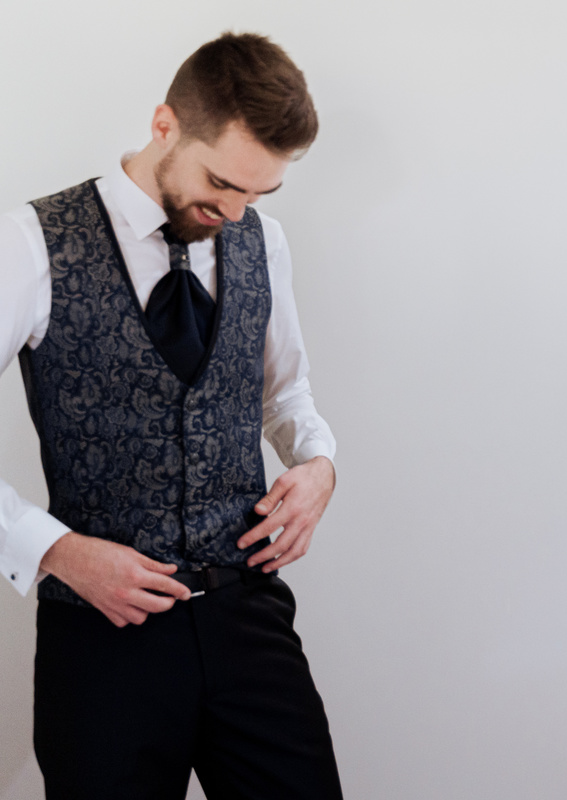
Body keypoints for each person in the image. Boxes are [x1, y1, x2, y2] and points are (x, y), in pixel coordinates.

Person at [0, 33, 343, 799]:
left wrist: (318, 464)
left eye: (258, 194)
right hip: (101, 639)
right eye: (220, 183)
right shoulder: (29, 244)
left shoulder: (262, 241)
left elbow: (285, 393)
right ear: (165, 125)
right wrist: (53, 551)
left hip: (248, 617)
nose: (235, 212)